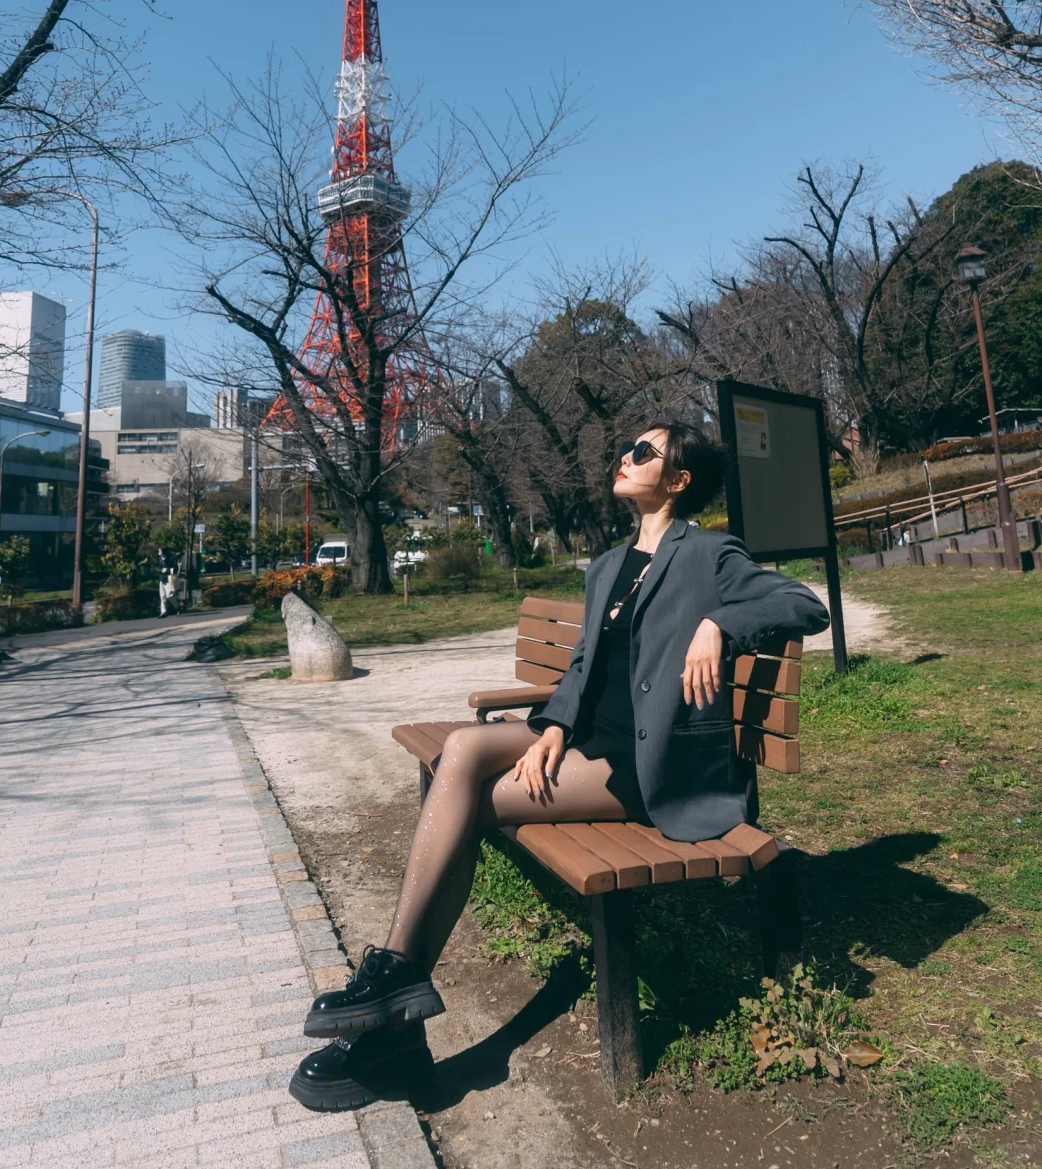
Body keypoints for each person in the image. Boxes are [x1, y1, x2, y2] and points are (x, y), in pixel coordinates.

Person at [289, 423, 830, 1112]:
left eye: (643, 452)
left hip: (643, 766)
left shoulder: (709, 555)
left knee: (472, 805)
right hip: (586, 743)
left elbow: (802, 604)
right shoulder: (609, 563)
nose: (625, 457)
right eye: (627, 448)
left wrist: (718, 625)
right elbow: (580, 671)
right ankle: (398, 978)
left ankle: (396, 1004)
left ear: (678, 480)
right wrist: (548, 728)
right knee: (462, 751)